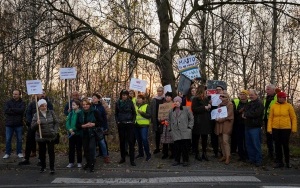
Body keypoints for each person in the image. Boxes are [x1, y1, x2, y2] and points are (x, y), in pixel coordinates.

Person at [267, 91, 297, 168]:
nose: (283, 99)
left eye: (284, 97)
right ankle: (279, 162)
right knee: (277, 145)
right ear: (278, 98)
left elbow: (293, 118)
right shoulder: (273, 106)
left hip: (286, 128)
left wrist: (294, 129)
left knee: (285, 145)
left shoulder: (289, 106)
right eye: (281, 97)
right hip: (275, 128)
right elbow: (270, 118)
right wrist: (269, 128)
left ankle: (287, 162)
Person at [23, 91, 54, 163]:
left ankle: (41, 159)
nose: (42, 94)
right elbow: (27, 113)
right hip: (33, 125)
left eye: (44, 93)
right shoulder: (32, 103)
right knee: (29, 141)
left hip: (43, 126)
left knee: (41, 143)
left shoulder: (48, 103)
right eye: (40, 93)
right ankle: (26, 158)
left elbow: (51, 113)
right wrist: (32, 122)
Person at [31, 99, 59, 174]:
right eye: (42, 106)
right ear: (39, 107)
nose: (44, 107)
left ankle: (52, 167)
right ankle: (43, 167)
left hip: (51, 136)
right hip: (41, 137)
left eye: (45, 105)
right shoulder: (36, 115)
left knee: (51, 152)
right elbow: (32, 128)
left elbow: (56, 122)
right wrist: (37, 123)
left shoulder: (51, 112)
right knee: (42, 152)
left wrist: (55, 131)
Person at [77, 98, 103, 172]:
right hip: (84, 133)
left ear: (89, 104)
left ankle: (92, 165)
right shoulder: (80, 113)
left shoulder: (95, 111)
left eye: (86, 104)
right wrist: (83, 126)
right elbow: (77, 125)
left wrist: (93, 124)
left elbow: (101, 122)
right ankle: (88, 163)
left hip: (92, 133)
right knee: (85, 150)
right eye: (83, 105)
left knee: (91, 149)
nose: (85, 106)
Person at [168, 96, 194, 167]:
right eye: (175, 101)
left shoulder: (186, 109)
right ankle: (177, 160)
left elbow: (191, 118)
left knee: (185, 147)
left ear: (180, 102)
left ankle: (185, 160)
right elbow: (169, 120)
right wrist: (170, 129)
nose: (176, 102)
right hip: (175, 132)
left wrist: (189, 127)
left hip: (185, 131)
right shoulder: (171, 111)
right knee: (176, 147)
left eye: (177, 101)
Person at [115, 89, 137, 166]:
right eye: (123, 95)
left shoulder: (130, 102)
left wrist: (133, 121)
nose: (124, 96)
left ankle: (132, 160)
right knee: (122, 142)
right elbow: (116, 113)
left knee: (131, 142)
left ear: (127, 96)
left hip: (129, 124)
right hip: (121, 124)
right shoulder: (118, 103)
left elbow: (134, 113)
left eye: (125, 95)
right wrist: (117, 121)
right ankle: (123, 157)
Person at [243, 89, 264, 167]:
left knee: (256, 144)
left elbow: (256, 114)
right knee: (249, 144)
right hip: (248, 126)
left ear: (256, 95)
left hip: (255, 127)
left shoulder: (259, 104)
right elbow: (245, 112)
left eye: (252, 95)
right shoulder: (249, 103)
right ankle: (252, 159)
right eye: (250, 95)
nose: (250, 96)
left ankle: (258, 160)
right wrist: (245, 114)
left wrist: (246, 115)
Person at [3, 89, 26, 159]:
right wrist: (16, 110)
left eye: (16, 94)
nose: (14, 95)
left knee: (19, 139)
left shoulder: (22, 102)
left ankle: (19, 152)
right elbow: (6, 111)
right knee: (8, 139)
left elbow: (21, 111)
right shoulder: (8, 102)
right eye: (13, 94)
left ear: (19, 95)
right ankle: (7, 153)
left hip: (18, 124)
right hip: (9, 124)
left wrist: (12, 109)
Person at [191, 85, 212, 161]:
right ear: (202, 90)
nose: (207, 92)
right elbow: (194, 109)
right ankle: (197, 153)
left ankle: (204, 153)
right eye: (205, 90)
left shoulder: (206, 99)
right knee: (196, 138)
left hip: (206, 121)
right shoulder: (195, 99)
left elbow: (208, 109)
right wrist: (204, 107)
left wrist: (209, 106)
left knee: (204, 138)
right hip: (198, 121)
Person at [215, 92, 234, 165]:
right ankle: (224, 155)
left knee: (225, 141)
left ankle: (228, 156)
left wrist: (220, 119)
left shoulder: (230, 104)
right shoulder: (219, 104)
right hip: (219, 125)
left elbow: (229, 115)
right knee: (220, 140)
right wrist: (215, 117)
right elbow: (217, 113)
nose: (221, 97)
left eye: (223, 96)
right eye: (221, 96)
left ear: (227, 97)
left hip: (226, 124)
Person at [92, 93, 110, 163]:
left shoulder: (101, 107)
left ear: (98, 99)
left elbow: (104, 118)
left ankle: (106, 156)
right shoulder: (90, 106)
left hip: (100, 127)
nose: (93, 99)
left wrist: (105, 127)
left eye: (95, 98)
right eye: (93, 98)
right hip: (92, 126)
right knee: (93, 143)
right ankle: (93, 157)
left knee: (102, 142)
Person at [66, 99, 83, 168]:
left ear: (78, 106)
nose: (72, 106)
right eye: (72, 105)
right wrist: (69, 129)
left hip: (78, 133)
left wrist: (74, 129)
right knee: (71, 148)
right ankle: (71, 162)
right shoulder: (71, 113)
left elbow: (80, 123)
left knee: (79, 148)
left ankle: (79, 162)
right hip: (71, 133)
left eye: (74, 105)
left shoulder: (80, 113)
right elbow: (67, 122)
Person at [233, 90, 249, 161]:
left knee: (246, 140)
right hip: (238, 124)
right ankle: (240, 155)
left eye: (243, 94)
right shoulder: (236, 102)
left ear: (246, 95)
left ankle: (247, 155)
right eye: (241, 94)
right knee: (239, 140)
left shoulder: (249, 103)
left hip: (247, 124)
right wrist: (239, 111)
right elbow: (233, 112)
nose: (242, 95)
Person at [134, 94, 152, 161]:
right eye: (137, 98)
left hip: (144, 125)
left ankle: (148, 154)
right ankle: (141, 154)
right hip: (136, 125)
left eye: (140, 98)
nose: (138, 99)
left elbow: (149, 115)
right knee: (139, 140)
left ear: (143, 99)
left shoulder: (147, 106)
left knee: (144, 139)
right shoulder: (135, 106)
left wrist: (142, 113)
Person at [210, 85, 224, 158]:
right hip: (213, 119)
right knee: (213, 135)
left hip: (222, 119)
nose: (218, 90)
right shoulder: (212, 97)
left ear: (222, 90)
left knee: (222, 135)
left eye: (220, 89)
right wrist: (210, 103)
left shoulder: (225, 98)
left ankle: (223, 152)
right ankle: (215, 151)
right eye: (217, 89)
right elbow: (209, 108)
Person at [263, 84, 277, 159]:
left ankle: (276, 154)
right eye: (266, 89)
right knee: (269, 137)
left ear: (273, 90)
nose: (266, 91)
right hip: (267, 120)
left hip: (275, 121)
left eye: (268, 89)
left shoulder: (277, 97)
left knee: (274, 138)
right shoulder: (266, 98)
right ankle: (270, 153)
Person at [160, 92, 174, 159]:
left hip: (171, 125)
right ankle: (165, 153)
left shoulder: (174, 105)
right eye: (166, 96)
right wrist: (161, 119)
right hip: (164, 124)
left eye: (169, 96)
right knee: (165, 139)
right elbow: (160, 115)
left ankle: (172, 153)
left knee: (171, 139)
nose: (167, 98)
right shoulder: (163, 105)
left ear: (171, 97)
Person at [150, 86, 164, 154]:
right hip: (156, 119)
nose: (159, 92)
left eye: (160, 91)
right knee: (157, 134)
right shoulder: (154, 100)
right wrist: (153, 119)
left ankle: (164, 148)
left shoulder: (164, 99)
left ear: (163, 92)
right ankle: (157, 148)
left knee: (164, 133)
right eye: (158, 91)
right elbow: (151, 109)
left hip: (163, 119)